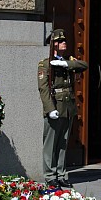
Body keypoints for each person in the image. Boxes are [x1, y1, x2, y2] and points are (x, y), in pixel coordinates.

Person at [38, 29, 88, 189]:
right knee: (51, 144)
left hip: (67, 107)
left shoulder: (67, 61)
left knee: (62, 143)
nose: (64, 43)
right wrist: (49, 108)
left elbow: (84, 65)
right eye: (60, 41)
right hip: (55, 106)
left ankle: (61, 174)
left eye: (64, 40)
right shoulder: (45, 64)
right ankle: (50, 176)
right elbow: (43, 88)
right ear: (54, 45)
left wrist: (64, 63)